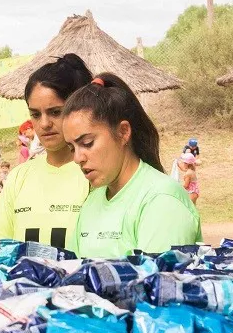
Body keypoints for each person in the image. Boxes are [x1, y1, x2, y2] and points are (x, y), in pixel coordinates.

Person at [63, 72, 201, 257]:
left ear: (123, 132)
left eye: (87, 143)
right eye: (72, 148)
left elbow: (159, 283)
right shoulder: (92, 202)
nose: (78, 158)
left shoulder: (161, 200)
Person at [0, 54, 92, 250]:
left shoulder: (96, 174)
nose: (44, 124)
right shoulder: (19, 176)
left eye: (55, 112)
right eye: (35, 114)